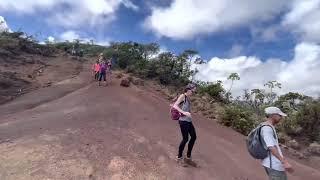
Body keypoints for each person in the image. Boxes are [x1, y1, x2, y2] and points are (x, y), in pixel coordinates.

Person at [261, 107, 294, 180]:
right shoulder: (267, 129)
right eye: (279, 115)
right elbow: (271, 147)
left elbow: (270, 143)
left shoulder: (267, 126)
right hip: (274, 165)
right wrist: (284, 162)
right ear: (273, 115)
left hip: (271, 164)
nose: (281, 117)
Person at [172, 83, 197, 167]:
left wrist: (188, 113)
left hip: (188, 121)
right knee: (185, 139)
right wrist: (184, 112)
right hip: (183, 121)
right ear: (189, 89)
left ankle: (188, 157)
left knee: (193, 137)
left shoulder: (188, 98)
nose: (193, 93)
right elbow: (175, 105)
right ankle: (178, 157)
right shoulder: (183, 96)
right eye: (193, 91)